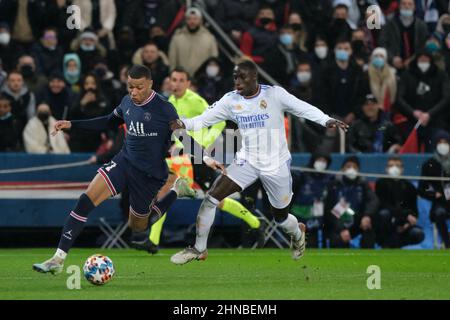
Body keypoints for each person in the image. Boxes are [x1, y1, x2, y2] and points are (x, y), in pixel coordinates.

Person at [32, 64, 222, 274]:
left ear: (150, 84)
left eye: (139, 87)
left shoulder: (164, 108)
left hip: (149, 174)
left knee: (139, 226)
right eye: (130, 86)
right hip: (124, 162)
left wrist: (205, 157)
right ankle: (57, 259)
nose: (134, 92)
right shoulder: (126, 102)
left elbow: (182, 137)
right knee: (85, 200)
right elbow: (107, 121)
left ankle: (177, 189)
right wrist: (71, 124)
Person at [169, 60, 348, 264]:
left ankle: (298, 234)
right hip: (247, 161)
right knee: (211, 199)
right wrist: (183, 123)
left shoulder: (274, 95)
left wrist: (325, 120)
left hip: (276, 165)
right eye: (235, 77)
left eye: (242, 77)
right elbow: (204, 119)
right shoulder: (230, 101)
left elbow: (302, 108)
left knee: (280, 218)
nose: (237, 81)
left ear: (254, 77)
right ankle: (199, 249)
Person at [132, 67, 263, 253]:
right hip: (180, 158)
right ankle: (152, 240)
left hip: (197, 158)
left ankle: (256, 223)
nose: (175, 84)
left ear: (188, 83)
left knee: (216, 198)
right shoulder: (169, 103)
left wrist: (204, 144)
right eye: (173, 80)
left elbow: (219, 121)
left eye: (180, 80)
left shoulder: (196, 101)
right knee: (166, 192)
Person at [324, 156, 379, 248]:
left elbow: (373, 200)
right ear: (342, 169)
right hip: (338, 222)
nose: (351, 169)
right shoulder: (334, 185)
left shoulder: (363, 185)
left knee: (369, 230)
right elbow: (329, 209)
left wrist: (367, 216)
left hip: (358, 222)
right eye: (348, 166)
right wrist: (341, 229)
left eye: (354, 167)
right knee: (337, 240)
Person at [375, 156, 425, 248]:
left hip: (404, 225)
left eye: (397, 166)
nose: (394, 168)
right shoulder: (381, 184)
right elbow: (383, 205)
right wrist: (404, 216)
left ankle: (395, 245)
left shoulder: (409, 187)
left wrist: (407, 224)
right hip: (387, 224)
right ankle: (387, 244)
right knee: (384, 214)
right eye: (391, 166)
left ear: (402, 169)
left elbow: (414, 211)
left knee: (418, 234)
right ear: (386, 169)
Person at [291, 153, 334, 247]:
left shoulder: (330, 179)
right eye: (319, 160)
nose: (321, 163)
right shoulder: (301, 175)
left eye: (324, 161)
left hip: (317, 217)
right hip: (299, 214)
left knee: (313, 243)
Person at [418, 132, 450, 248]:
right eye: (440, 142)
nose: (443, 145)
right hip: (440, 202)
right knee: (439, 213)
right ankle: (447, 244)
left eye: (446, 142)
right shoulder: (429, 164)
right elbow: (422, 189)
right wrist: (433, 194)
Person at [379, 0, 429, 71]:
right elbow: (382, 43)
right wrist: (392, 58)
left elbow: (424, 45)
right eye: (404, 4)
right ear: (399, 6)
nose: (407, 6)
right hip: (394, 65)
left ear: (414, 7)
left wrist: (414, 58)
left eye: (410, 4)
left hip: (417, 65)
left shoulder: (421, 25)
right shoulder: (389, 25)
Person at [168, 7, 218, 76]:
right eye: (189, 19)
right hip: (182, 80)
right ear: (185, 20)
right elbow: (172, 61)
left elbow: (213, 61)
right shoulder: (177, 38)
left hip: (202, 80)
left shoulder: (209, 38)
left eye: (195, 19)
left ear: (200, 20)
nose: (192, 22)